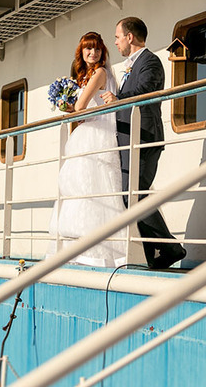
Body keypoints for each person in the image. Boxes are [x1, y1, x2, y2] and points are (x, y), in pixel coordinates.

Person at [100, 17, 187, 269]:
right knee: (133, 196)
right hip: (130, 139)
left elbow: (146, 90)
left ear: (130, 37)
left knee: (134, 195)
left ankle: (169, 249)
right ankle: (158, 253)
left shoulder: (150, 61)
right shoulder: (132, 65)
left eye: (118, 37)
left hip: (145, 137)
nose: (116, 42)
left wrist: (117, 99)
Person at [48, 32, 127, 267]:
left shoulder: (100, 73)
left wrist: (69, 106)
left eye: (97, 49)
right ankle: (82, 250)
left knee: (94, 188)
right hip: (88, 132)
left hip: (95, 134)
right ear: (81, 52)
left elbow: (81, 106)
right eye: (89, 49)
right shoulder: (87, 76)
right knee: (82, 188)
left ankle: (97, 252)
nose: (93, 53)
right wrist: (69, 106)